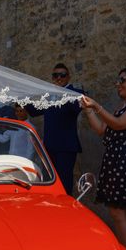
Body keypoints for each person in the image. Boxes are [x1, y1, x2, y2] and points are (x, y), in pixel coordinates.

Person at [81, 67, 126, 250]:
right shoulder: (121, 106)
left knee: (120, 212)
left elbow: (118, 124)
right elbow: (102, 129)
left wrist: (97, 106)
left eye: (122, 80)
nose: (117, 84)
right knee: (115, 211)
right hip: (115, 159)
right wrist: (89, 111)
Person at [26, 63, 83, 194]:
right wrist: (24, 97)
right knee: (48, 181)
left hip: (66, 147)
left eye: (62, 75)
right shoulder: (49, 97)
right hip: (49, 147)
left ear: (68, 77)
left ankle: (65, 210)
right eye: (55, 75)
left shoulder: (76, 93)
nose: (59, 78)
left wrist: (60, 93)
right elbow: (34, 111)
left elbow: (75, 108)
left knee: (64, 182)